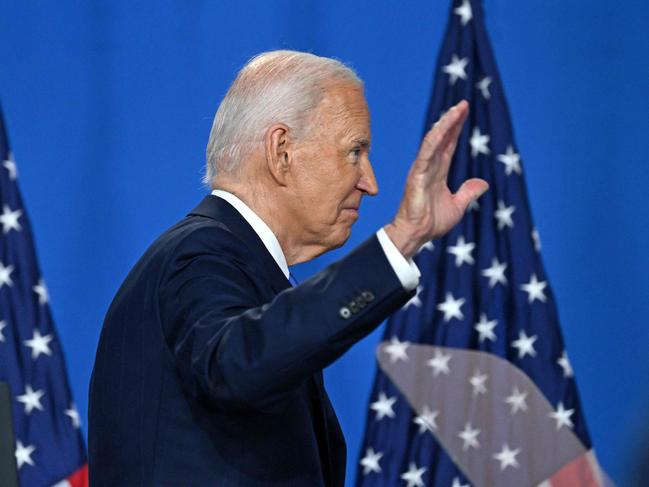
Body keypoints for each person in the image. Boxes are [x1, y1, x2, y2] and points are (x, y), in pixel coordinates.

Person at [88, 50, 488, 486]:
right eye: (354, 151)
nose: (370, 183)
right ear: (281, 151)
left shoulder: (239, 268)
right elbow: (239, 363)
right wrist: (401, 240)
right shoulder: (200, 255)